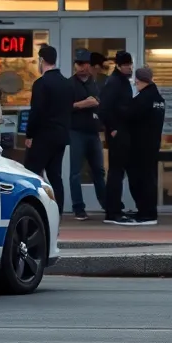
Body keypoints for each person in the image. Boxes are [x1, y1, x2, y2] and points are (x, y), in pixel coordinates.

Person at [24, 45, 72, 213]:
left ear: (42, 60)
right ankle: (58, 212)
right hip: (61, 136)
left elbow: (36, 111)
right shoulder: (67, 83)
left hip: (43, 136)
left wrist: (29, 134)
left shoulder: (41, 83)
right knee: (55, 176)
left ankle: (32, 210)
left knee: (32, 173)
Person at [68, 48, 107, 221]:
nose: (82, 67)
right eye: (79, 64)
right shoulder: (69, 84)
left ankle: (106, 204)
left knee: (98, 170)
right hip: (76, 131)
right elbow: (64, 107)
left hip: (93, 132)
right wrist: (84, 104)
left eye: (85, 64)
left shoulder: (97, 83)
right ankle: (78, 208)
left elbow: (101, 103)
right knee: (75, 172)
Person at [99, 50, 137, 226]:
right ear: (119, 65)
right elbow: (104, 108)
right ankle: (113, 211)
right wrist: (113, 129)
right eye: (126, 65)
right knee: (116, 172)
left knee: (118, 172)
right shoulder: (114, 83)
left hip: (123, 131)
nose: (129, 68)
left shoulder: (121, 81)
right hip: (118, 132)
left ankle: (115, 208)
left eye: (130, 64)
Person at [128, 66, 166, 225]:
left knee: (140, 179)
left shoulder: (143, 99)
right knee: (149, 178)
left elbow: (130, 117)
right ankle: (149, 211)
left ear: (138, 80)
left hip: (140, 145)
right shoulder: (158, 99)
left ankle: (145, 213)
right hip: (152, 144)